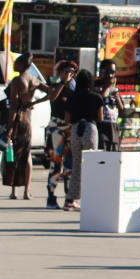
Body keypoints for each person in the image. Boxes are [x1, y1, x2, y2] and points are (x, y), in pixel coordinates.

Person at [4, 53, 44, 200]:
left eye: (15, 63)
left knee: (12, 155)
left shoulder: (17, 81)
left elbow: (14, 105)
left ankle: (14, 191)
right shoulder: (34, 79)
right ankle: (27, 191)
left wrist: (9, 126)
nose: (13, 65)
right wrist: (34, 103)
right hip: (27, 120)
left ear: (21, 65)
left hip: (17, 120)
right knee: (27, 155)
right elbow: (52, 93)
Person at [64, 70, 103, 213]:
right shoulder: (96, 97)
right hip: (90, 130)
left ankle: (70, 199)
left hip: (75, 130)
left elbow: (67, 120)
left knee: (76, 166)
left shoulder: (71, 98)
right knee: (91, 166)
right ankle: (90, 198)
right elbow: (100, 118)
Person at [44, 61, 78, 210]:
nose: (70, 74)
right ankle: (51, 197)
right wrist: (63, 83)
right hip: (56, 128)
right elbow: (52, 98)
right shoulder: (55, 86)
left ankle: (69, 198)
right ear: (60, 72)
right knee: (56, 164)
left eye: (73, 71)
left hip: (70, 128)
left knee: (70, 165)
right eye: (67, 71)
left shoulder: (76, 89)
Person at [96, 60, 127, 153]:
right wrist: (106, 87)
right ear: (102, 71)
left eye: (113, 72)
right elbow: (95, 103)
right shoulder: (96, 86)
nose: (111, 75)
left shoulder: (115, 88)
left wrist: (117, 98)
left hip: (113, 132)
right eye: (108, 71)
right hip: (101, 131)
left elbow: (122, 112)